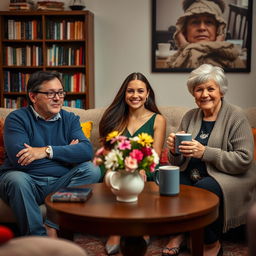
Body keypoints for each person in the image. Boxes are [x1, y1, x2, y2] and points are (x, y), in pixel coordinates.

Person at [165, 64, 255, 256]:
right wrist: (174, 150)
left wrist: (205, 152)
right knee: (169, 182)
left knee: (203, 189)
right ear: (193, 94)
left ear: (221, 91)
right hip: (192, 173)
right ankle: (179, 233)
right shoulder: (190, 116)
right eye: (199, 89)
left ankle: (211, 242)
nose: (205, 94)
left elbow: (244, 159)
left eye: (210, 88)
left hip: (228, 175)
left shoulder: (236, 116)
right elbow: (177, 162)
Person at [0, 71, 101, 236]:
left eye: (60, 93)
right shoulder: (17, 119)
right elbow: (20, 160)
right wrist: (68, 154)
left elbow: (86, 151)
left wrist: (45, 151)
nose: (58, 98)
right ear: (33, 97)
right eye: (50, 93)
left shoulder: (70, 119)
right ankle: (38, 240)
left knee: (92, 170)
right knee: (16, 178)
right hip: (27, 183)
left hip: (59, 184)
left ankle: (52, 225)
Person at [99, 72, 166, 255]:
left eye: (140, 91)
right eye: (130, 91)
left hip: (146, 165)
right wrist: (121, 168)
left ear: (147, 94)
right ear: (124, 94)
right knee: (117, 177)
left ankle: (139, 228)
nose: (135, 95)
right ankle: (116, 229)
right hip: (116, 164)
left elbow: (156, 154)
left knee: (139, 177)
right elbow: (107, 150)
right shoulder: (114, 117)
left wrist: (139, 168)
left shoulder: (158, 119)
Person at [168, 0, 245, 69]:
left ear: (218, 30)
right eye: (195, 22)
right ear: (185, 30)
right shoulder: (173, 61)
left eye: (209, 22)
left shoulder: (233, 60)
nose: (202, 28)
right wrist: (185, 48)